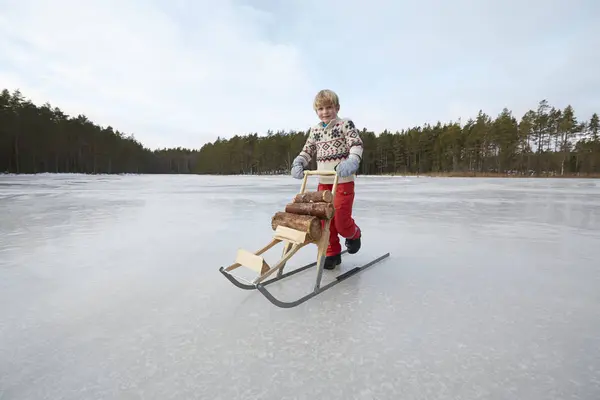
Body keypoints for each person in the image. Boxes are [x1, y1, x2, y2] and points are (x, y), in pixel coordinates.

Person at [290, 89, 363, 270]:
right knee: (324, 220)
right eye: (321, 109)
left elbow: (356, 144)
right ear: (316, 111)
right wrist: (299, 162)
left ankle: (353, 234)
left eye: (329, 107)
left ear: (336, 107)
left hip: (343, 181)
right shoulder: (315, 130)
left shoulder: (345, 124)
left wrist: (353, 160)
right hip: (324, 182)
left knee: (340, 221)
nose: (325, 112)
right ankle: (331, 253)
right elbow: (307, 150)